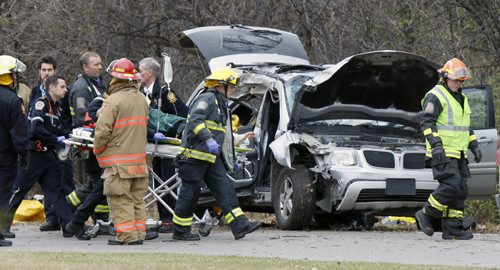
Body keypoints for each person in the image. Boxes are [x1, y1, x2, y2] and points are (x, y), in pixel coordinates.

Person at [172, 67, 261, 241]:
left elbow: (225, 137)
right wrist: (208, 139)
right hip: (194, 156)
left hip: (211, 158)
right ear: (221, 84)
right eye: (232, 85)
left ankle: (240, 225)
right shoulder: (207, 99)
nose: (234, 89)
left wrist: (230, 158)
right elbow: (195, 121)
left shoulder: (221, 105)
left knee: (225, 189)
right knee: (189, 194)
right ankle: (180, 231)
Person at [415, 58, 482, 240]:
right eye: (455, 80)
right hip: (442, 152)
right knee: (451, 185)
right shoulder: (435, 95)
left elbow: (464, 126)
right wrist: (436, 145)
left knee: (460, 189)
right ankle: (426, 213)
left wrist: (474, 145)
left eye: (461, 81)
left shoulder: (462, 98)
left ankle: (452, 228)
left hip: (458, 153)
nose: (458, 84)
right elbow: (427, 123)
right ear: (445, 77)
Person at [3, 75, 74, 239]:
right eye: (62, 87)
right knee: (18, 191)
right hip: (34, 155)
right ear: (52, 88)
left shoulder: (56, 107)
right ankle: (3, 226)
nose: (66, 90)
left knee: (56, 191)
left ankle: (70, 225)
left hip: (48, 156)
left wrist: (72, 135)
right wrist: (55, 139)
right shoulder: (40, 103)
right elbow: (35, 129)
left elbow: (56, 130)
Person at [93, 58, 149, 245]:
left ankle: (126, 236)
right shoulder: (141, 99)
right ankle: (139, 234)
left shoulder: (112, 101)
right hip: (139, 162)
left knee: (121, 199)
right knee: (137, 199)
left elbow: (102, 132)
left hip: (118, 163)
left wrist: (98, 150)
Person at [139, 57, 188, 233]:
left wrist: (169, 132)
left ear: (150, 72)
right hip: (151, 142)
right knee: (157, 179)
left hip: (166, 143)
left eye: (141, 71)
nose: (139, 74)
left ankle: (169, 218)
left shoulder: (165, 92)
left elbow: (182, 114)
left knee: (167, 179)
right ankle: (163, 216)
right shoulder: (140, 91)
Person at [66, 52, 109, 240]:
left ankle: (96, 218)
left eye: (100, 64)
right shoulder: (81, 89)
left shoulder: (97, 83)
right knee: (98, 184)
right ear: (85, 67)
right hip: (89, 144)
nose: (100, 67)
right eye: (96, 64)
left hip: (98, 142)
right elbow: (83, 118)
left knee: (96, 184)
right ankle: (69, 214)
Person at [30, 56, 75, 232]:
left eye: (50, 70)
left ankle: (71, 218)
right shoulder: (35, 92)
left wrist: (65, 135)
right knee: (49, 182)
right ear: (40, 72)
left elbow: (68, 116)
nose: (46, 73)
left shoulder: (64, 92)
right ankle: (51, 217)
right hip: (44, 143)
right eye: (43, 70)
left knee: (65, 178)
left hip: (61, 140)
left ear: (55, 71)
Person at [0, 55, 29, 247]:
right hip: (5, 158)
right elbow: (18, 133)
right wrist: (24, 153)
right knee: (2, 194)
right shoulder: (12, 100)